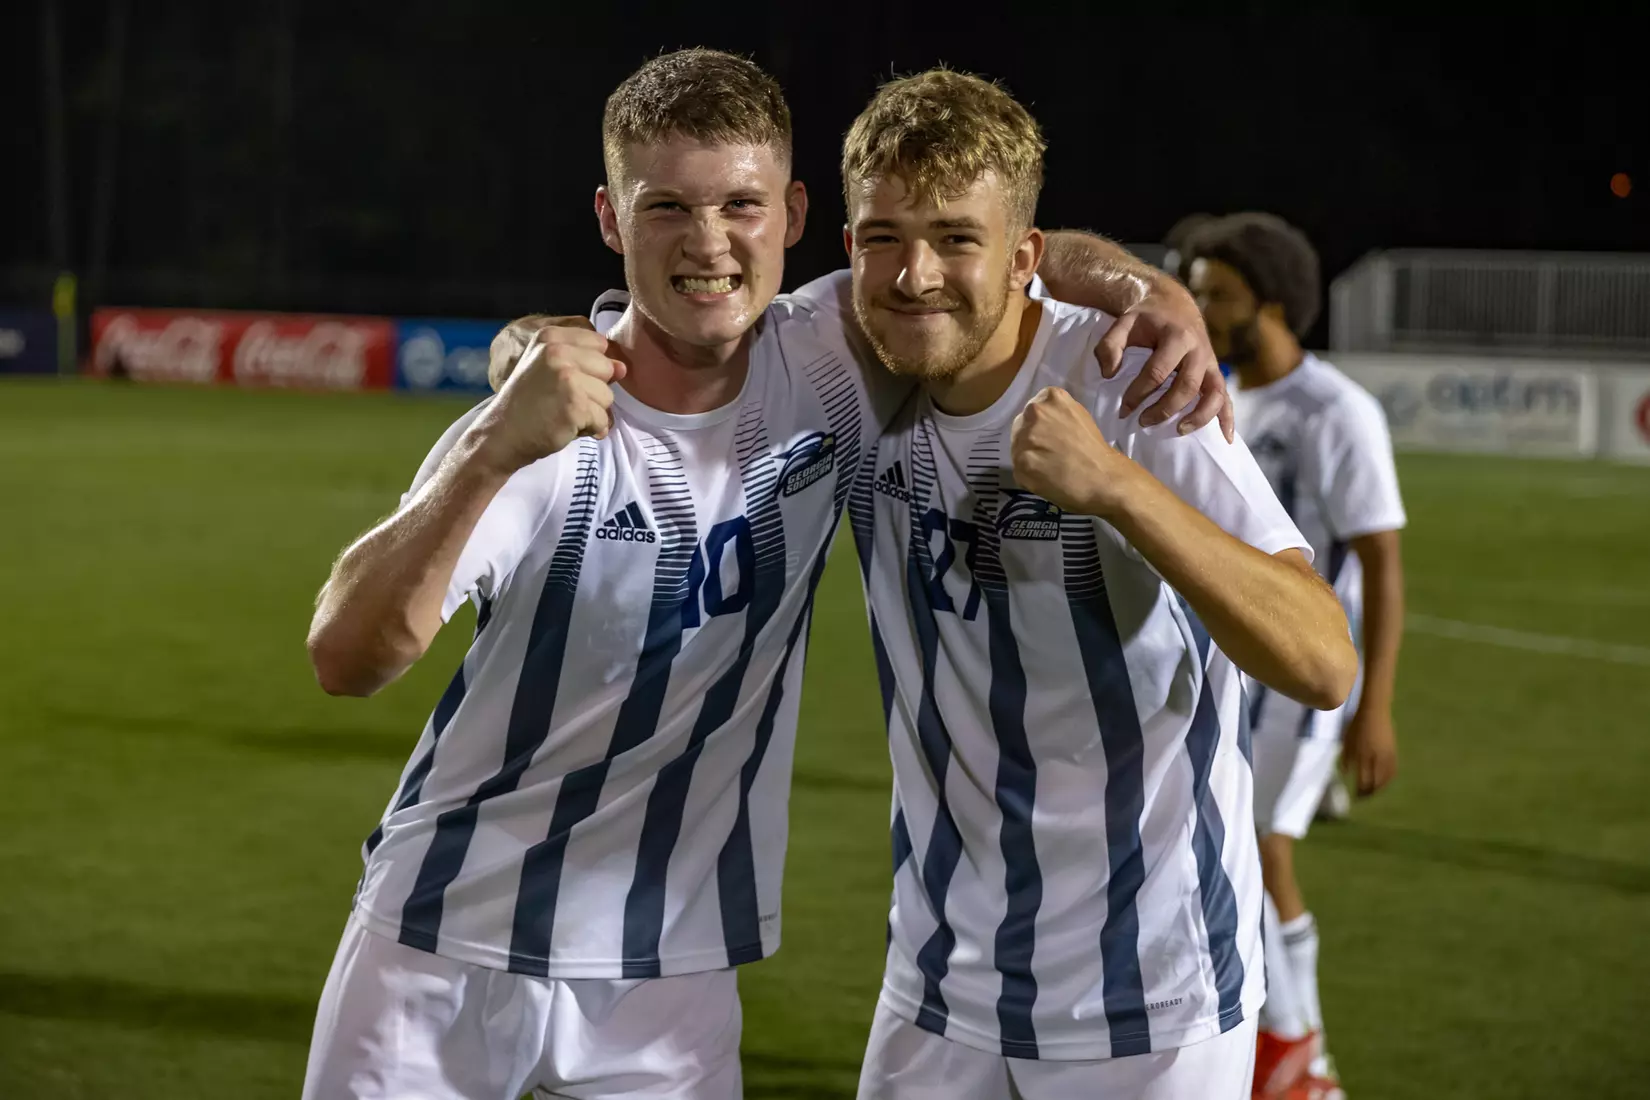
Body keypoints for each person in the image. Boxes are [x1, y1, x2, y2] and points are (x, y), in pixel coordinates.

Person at [302, 49, 1227, 1100]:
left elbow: (973, 249)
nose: (708, 243)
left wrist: (1146, 290)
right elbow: (347, 656)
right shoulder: (545, 424)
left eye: (739, 204)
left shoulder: (830, 356)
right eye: (667, 209)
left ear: (790, 214)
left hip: (672, 976)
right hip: (443, 940)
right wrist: (490, 447)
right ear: (610, 220)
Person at [830, 70, 1358, 1100]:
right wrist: (532, 337)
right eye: (882, 236)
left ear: (1024, 258)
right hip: (939, 980)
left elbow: (1320, 655)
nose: (913, 274)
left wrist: (1114, 485)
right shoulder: (840, 353)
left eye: (955, 238)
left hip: (1151, 991)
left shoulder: (1136, 380)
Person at [1182, 212, 1407, 1100]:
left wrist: (1375, 707)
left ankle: (1298, 1052)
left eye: (1218, 296)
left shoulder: (1337, 411)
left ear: (1271, 303)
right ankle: (1292, 1047)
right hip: (1237, 667)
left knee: (1261, 844)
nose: (1201, 308)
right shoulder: (1223, 391)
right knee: (1246, 843)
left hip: (1304, 681)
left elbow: (1381, 563)